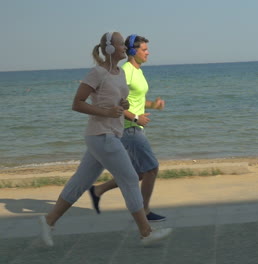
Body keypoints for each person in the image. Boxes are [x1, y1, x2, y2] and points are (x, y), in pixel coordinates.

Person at [38, 32, 172, 247]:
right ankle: (146, 232)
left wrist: (123, 107)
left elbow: (117, 101)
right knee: (129, 178)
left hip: (109, 134)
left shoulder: (118, 73)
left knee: (80, 182)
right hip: (102, 135)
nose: (124, 48)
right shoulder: (97, 73)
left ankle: (48, 220)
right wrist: (106, 112)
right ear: (110, 48)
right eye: (120, 44)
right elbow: (78, 103)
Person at [88, 34, 166, 222]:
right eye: (144, 49)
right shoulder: (125, 71)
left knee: (138, 172)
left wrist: (152, 105)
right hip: (128, 128)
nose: (148, 53)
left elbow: (133, 101)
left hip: (133, 126)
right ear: (132, 51)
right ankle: (144, 211)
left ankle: (98, 190)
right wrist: (136, 118)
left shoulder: (137, 71)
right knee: (152, 168)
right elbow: (113, 103)